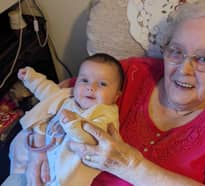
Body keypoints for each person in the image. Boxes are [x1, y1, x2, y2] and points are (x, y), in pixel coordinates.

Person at [4, 0, 205, 185]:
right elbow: (62, 96)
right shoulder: (130, 73)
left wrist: (132, 166)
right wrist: (37, 145)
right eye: (176, 51)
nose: (184, 68)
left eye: (204, 59)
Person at [3, 53, 124, 186]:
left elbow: (93, 140)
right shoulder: (67, 97)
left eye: (102, 84)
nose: (91, 87)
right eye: (84, 80)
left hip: (65, 175)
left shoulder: (106, 114)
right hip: (35, 161)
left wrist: (73, 125)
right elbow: (46, 90)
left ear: (116, 95)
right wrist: (30, 78)